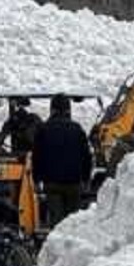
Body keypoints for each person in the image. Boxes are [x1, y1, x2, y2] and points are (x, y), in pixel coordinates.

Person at [31, 94, 93, 227]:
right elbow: (86, 157)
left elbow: (36, 157)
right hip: (74, 183)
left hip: (52, 183)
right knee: (73, 222)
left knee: (57, 222)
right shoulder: (77, 129)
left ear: (52, 109)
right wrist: (86, 179)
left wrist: (36, 180)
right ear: (68, 110)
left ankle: (57, 243)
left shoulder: (43, 129)